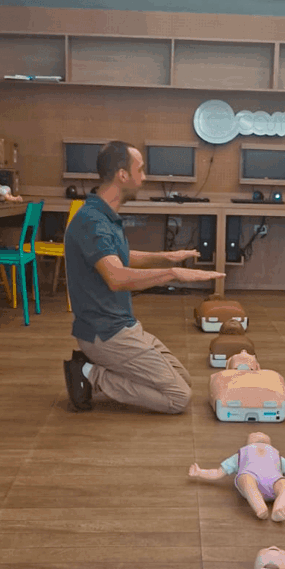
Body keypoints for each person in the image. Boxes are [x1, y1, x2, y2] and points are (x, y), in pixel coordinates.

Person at [63, 141, 224, 413]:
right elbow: (116, 277)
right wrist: (172, 274)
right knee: (178, 398)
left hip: (123, 326)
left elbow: (118, 257)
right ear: (123, 175)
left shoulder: (104, 215)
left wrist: (167, 257)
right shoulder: (92, 221)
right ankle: (90, 373)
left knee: (183, 380)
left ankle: (104, 369)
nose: (145, 177)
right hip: (105, 334)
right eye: (140, 169)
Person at [188, 431, 285, 521]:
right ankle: (260, 507)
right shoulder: (241, 455)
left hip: (274, 481)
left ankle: (279, 509)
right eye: (255, 435)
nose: (259, 434)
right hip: (250, 478)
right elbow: (219, 472)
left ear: (270, 446)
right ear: (248, 444)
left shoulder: (278, 457)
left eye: (264, 437)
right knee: (246, 480)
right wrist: (200, 472)